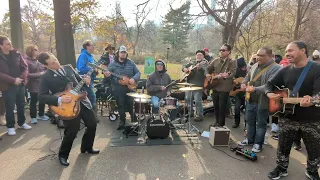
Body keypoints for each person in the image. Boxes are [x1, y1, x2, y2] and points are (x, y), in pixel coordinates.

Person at [266, 41, 320, 180]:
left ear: (303, 50)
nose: (287, 54)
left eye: (291, 50)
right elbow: (269, 84)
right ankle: (281, 168)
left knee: (314, 149)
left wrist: (312, 100)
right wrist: (269, 93)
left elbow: (318, 95)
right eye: (286, 51)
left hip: (312, 118)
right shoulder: (284, 70)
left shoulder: (316, 69)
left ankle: (312, 170)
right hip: (288, 116)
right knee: (283, 146)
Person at [38, 52, 99, 166]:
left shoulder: (68, 67)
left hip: (82, 102)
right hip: (67, 108)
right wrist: (59, 100)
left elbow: (78, 80)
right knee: (72, 131)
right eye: (53, 63)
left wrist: (85, 80)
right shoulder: (46, 77)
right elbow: (41, 96)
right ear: (46, 66)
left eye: (55, 59)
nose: (57, 63)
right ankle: (63, 155)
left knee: (92, 123)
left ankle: (86, 147)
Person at [238, 47, 281, 153]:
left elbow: (270, 85)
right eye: (257, 55)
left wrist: (255, 89)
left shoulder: (276, 68)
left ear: (271, 56)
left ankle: (258, 143)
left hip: (263, 101)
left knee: (261, 123)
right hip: (250, 99)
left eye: (262, 55)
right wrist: (243, 83)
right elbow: (248, 77)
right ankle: (250, 139)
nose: (258, 57)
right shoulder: (255, 66)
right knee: (249, 121)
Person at [0, 36, 32, 136]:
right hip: (7, 85)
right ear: (1, 46)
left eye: (10, 43)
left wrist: (21, 78)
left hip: (20, 84)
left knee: (21, 104)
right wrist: (13, 80)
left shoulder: (17, 53)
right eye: (7, 44)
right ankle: (10, 127)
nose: (11, 45)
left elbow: (25, 67)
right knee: (9, 106)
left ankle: (22, 123)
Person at [104, 46, 141, 130]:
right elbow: (107, 77)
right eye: (121, 52)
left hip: (130, 87)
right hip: (118, 88)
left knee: (131, 103)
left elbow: (138, 73)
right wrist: (107, 75)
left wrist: (133, 79)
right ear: (118, 53)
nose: (123, 54)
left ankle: (134, 119)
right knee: (120, 104)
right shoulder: (112, 64)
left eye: (124, 52)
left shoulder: (131, 63)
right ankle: (122, 121)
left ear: (126, 54)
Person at [207, 44, 236, 127]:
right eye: (220, 50)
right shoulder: (215, 60)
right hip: (215, 85)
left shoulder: (232, 62)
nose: (221, 52)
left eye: (223, 50)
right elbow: (208, 68)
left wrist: (226, 75)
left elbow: (232, 72)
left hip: (224, 87)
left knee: (222, 106)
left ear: (228, 52)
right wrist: (207, 75)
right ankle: (216, 121)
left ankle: (221, 124)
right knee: (215, 106)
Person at [25, 46, 49, 124]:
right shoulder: (26, 61)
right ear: (30, 51)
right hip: (33, 84)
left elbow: (45, 69)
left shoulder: (39, 61)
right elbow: (27, 74)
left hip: (42, 84)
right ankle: (33, 117)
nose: (37, 51)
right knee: (33, 101)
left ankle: (41, 114)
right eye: (35, 50)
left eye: (37, 50)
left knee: (42, 99)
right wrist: (40, 74)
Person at [182, 50, 208, 121]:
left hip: (198, 85)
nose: (198, 56)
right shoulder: (192, 62)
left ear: (203, 57)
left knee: (197, 100)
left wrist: (200, 69)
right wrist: (185, 69)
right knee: (187, 99)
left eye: (200, 55)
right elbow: (184, 66)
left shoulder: (205, 63)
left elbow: (206, 72)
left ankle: (200, 115)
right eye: (197, 55)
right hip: (189, 84)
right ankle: (191, 112)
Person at [76, 40, 98, 112]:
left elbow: (94, 67)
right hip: (84, 81)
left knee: (91, 98)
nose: (93, 47)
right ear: (87, 47)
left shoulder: (91, 56)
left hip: (91, 80)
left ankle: (91, 115)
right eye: (92, 45)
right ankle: (92, 116)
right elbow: (81, 68)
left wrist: (96, 70)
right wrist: (93, 68)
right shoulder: (83, 55)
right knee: (92, 97)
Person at [232, 57, 247, 128]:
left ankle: (247, 125)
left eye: (244, 67)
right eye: (242, 67)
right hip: (238, 92)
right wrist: (236, 83)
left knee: (247, 110)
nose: (243, 68)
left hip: (247, 93)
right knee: (236, 108)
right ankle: (236, 122)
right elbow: (233, 80)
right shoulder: (236, 71)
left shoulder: (248, 71)